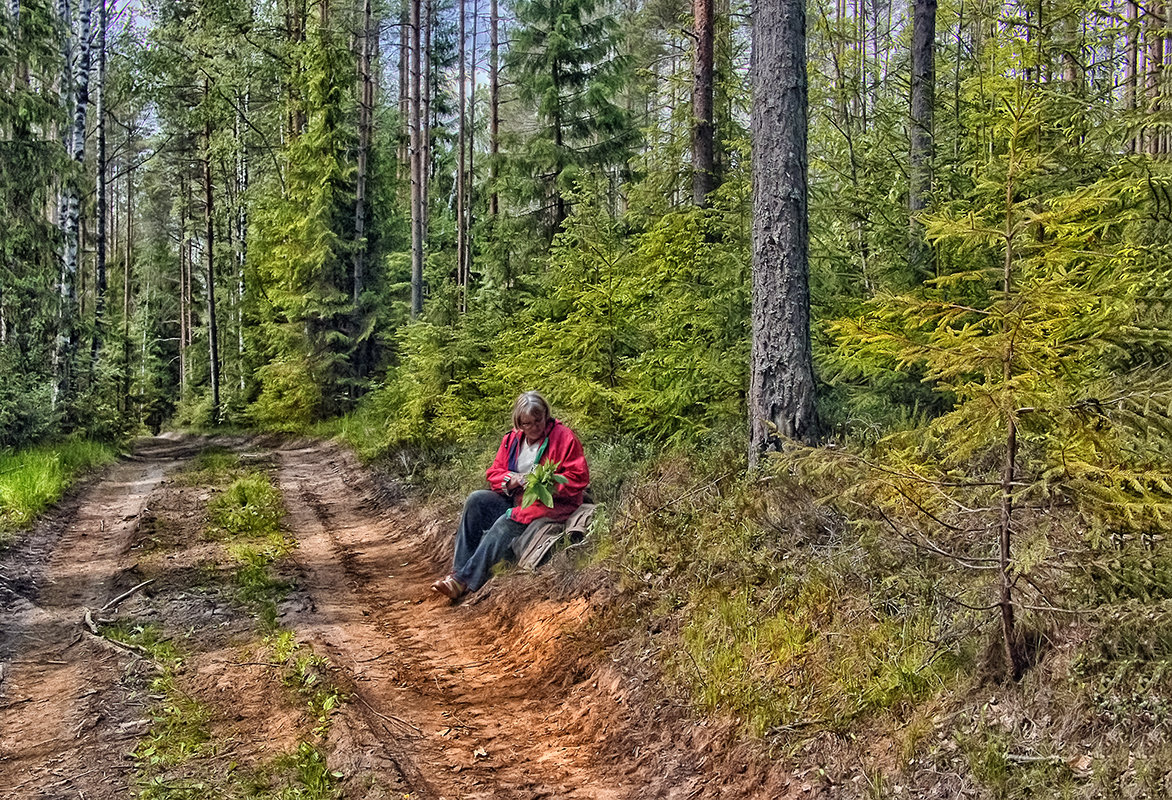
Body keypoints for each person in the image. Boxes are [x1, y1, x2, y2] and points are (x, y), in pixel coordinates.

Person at [431, 391, 590, 601]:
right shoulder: (511, 440)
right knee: (476, 500)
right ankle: (457, 571)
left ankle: (463, 582)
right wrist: (511, 480)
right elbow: (494, 473)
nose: (535, 427)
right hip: (515, 496)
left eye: (538, 420)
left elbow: (579, 477)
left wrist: (547, 482)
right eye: (527, 423)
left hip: (548, 504)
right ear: (519, 423)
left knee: (508, 521)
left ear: (546, 415)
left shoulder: (564, 437)